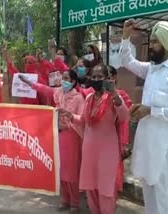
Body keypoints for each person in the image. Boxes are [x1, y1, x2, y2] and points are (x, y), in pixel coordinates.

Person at [61, 64, 129, 214]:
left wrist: (115, 94)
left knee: (106, 189)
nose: (96, 80)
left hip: (107, 151)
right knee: (91, 189)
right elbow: (84, 120)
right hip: (89, 150)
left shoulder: (112, 98)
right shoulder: (90, 98)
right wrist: (71, 116)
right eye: (94, 77)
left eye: (100, 77)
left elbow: (124, 116)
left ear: (107, 79)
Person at [121, 19, 168, 214]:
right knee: (148, 193)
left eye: (156, 41)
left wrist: (150, 110)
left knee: (164, 196)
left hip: (165, 149)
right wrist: (125, 37)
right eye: (151, 41)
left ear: (167, 45)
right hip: (147, 144)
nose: (151, 45)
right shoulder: (150, 69)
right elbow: (127, 61)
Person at [19, 70, 84, 213]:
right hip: (58, 135)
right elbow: (43, 89)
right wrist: (28, 82)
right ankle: (65, 200)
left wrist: (69, 117)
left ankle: (75, 202)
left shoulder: (78, 98)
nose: (63, 81)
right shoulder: (58, 92)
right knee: (60, 170)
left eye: (66, 78)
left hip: (71, 137)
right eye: (62, 78)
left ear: (73, 82)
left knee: (71, 172)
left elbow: (82, 120)